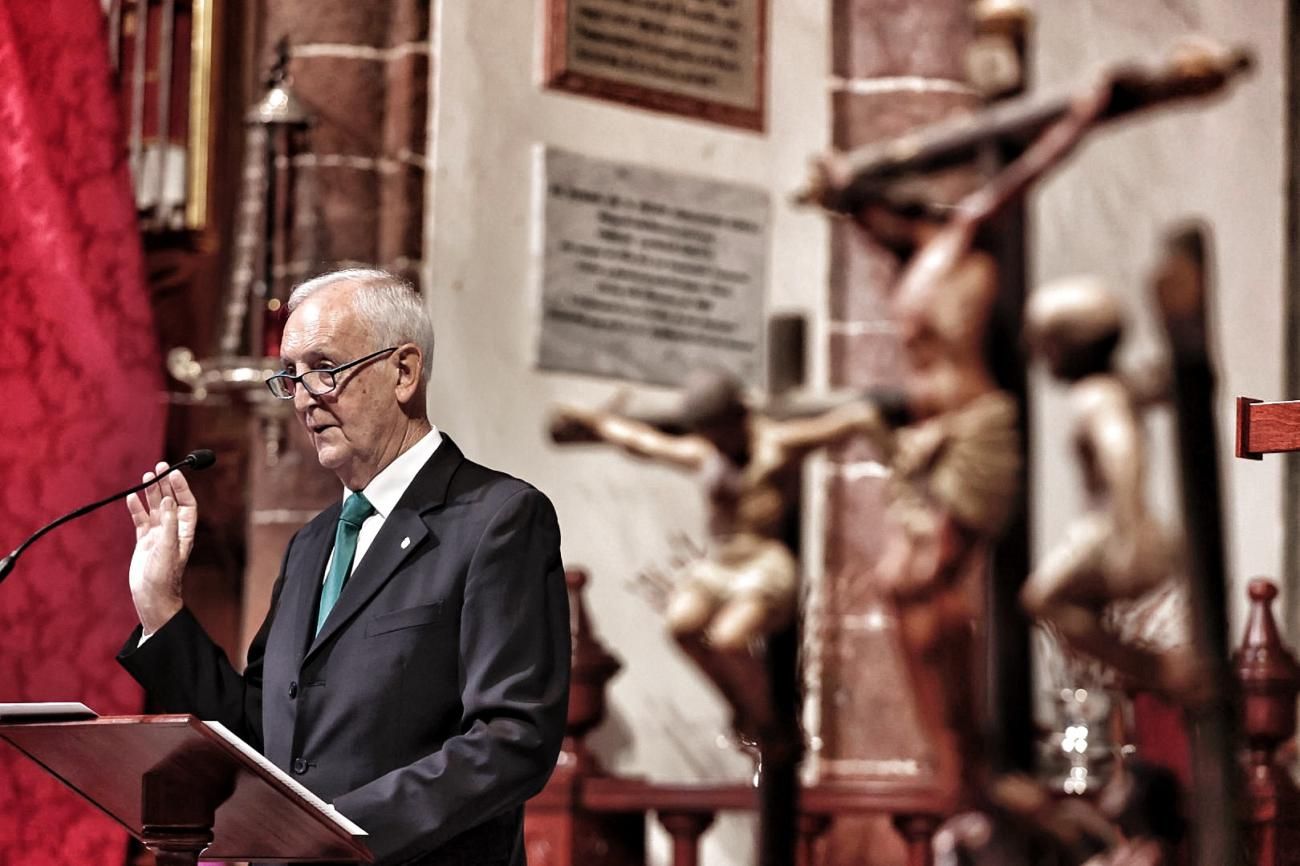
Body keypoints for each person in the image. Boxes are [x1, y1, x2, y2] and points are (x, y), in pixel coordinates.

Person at [117, 268, 570, 866]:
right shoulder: (312, 544)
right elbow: (262, 734)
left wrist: (337, 835)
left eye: (324, 368)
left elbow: (512, 740)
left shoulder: (497, 519)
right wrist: (161, 606)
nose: (304, 397)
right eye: (292, 376)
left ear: (404, 372)